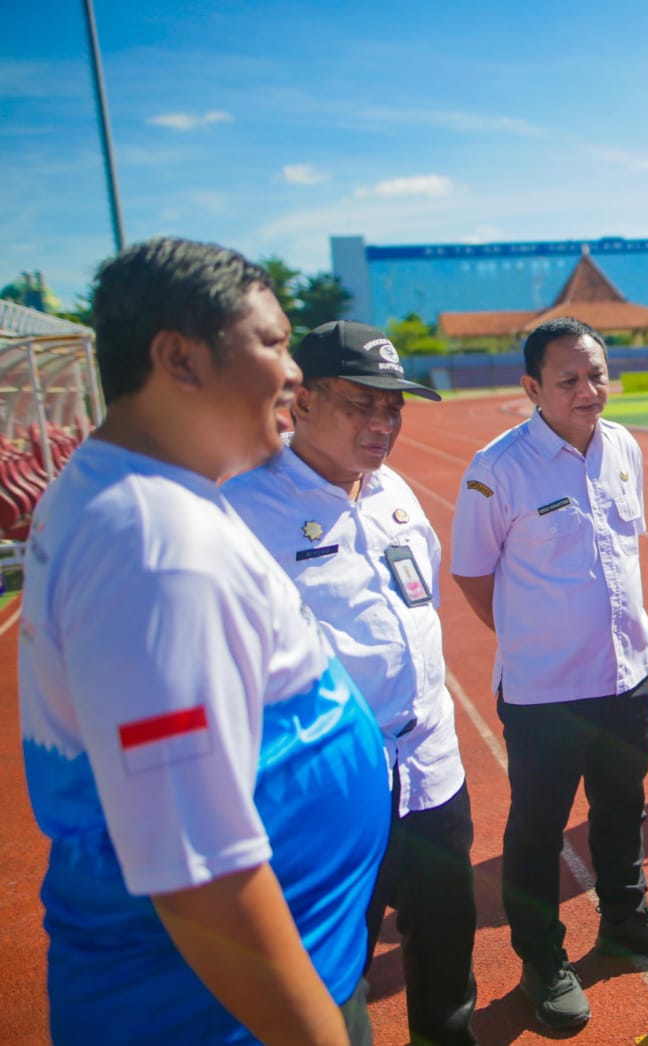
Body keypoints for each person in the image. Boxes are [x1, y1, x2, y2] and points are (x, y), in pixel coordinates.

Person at [17, 237, 390, 1044]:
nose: (293, 370)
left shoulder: (138, 494)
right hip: (217, 1015)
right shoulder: (155, 546)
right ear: (178, 358)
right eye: (272, 342)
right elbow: (200, 875)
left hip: (252, 986)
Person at [226, 320, 478, 1045]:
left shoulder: (394, 489)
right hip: (332, 790)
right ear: (299, 400)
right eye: (360, 404)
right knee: (333, 973)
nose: (383, 423)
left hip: (431, 771)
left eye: (393, 407)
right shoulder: (244, 510)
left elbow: (419, 599)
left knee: (446, 947)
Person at [451, 317, 648, 1031]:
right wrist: (533, 637)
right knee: (538, 830)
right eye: (569, 380)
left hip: (628, 675)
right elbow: (473, 573)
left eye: (597, 374)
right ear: (531, 387)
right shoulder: (497, 468)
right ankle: (541, 960)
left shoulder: (622, 445)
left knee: (624, 808)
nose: (589, 390)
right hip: (546, 694)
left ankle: (625, 920)